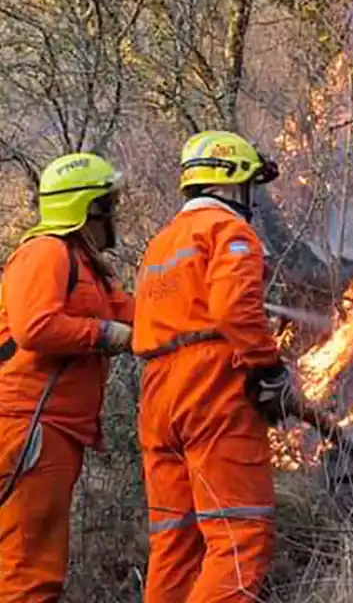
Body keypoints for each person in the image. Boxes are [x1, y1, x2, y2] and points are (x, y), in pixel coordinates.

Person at [132, 131, 297, 602]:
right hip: (210, 388)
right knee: (239, 539)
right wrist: (268, 368)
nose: (253, 200)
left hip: (157, 393)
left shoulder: (160, 244)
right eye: (250, 186)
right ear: (228, 184)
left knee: (175, 545)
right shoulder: (229, 231)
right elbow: (233, 309)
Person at [0, 153, 134, 601]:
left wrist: (201, 309)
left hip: (53, 431)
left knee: (29, 563)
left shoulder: (89, 270)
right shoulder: (45, 252)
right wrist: (102, 334)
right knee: (28, 571)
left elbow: (141, 314)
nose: (113, 214)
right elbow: (34, 326)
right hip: (29, 427)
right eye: (108, 204)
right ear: (87, 208)